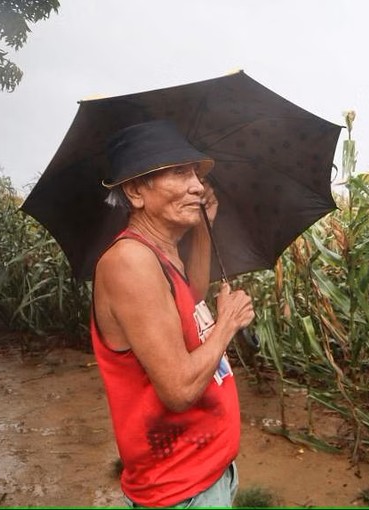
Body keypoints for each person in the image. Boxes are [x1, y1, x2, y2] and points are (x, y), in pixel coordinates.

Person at [90, 119, 255, 507]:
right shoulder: (130, 261)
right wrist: (227, 324)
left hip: (207, 469)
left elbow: (189, 301)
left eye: (195, 173)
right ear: (135, 190)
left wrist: (204, 227)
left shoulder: (162, 253)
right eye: (180, 172)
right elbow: (179, 390)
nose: (198, 185)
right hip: (181, 488)